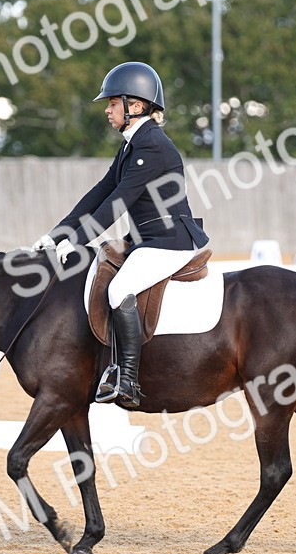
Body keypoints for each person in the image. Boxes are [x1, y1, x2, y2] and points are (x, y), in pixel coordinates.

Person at [33, 61, 210, 408]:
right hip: (147, 241)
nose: (108, 110)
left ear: (136, 106)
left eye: (113, 103)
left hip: (168, 242)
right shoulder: (133, 143)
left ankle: (126, 378)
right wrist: (58, 234)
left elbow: (118, 202)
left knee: (119, 290)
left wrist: (79, 240)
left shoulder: (152, 145)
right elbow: (100, 192)